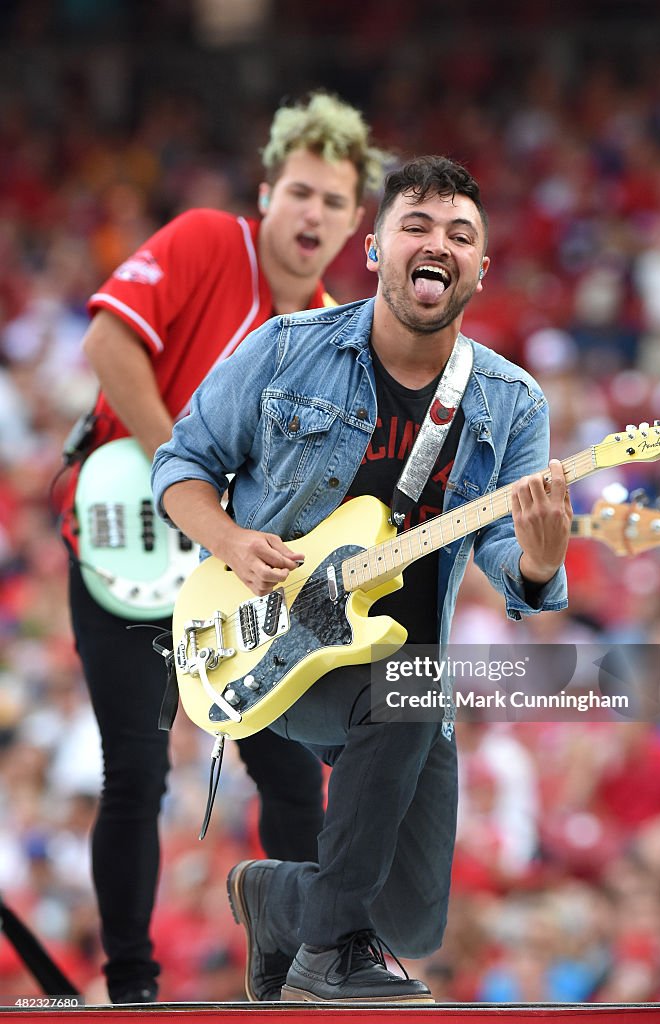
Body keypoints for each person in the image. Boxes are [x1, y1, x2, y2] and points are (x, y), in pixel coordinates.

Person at [151, 156, 572, 1003]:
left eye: (460, 235)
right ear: (376, 248)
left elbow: (504, 558)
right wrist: (231, 541)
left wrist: (538, 558)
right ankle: (318, 964)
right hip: (276, 646)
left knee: (410, 923)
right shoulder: (286, 349)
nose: (437, 244)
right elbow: (180, 467)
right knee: (410, 681)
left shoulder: (512, 404)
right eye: (415, 225)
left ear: (480, 271)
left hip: (401, 676)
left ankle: (281, 903)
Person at [61, 93, 388, 1004]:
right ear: (265, 194)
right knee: (133, 767)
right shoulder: (208, 239)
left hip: (233, 571)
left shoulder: (338, 336)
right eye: (300, 193)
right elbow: (107, 339)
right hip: (132, 542)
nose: (313, 215)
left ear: (355, 222)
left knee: (287, 764)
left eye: (332, 201)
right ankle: (130, 986)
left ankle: (307, 963)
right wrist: (182, 478)